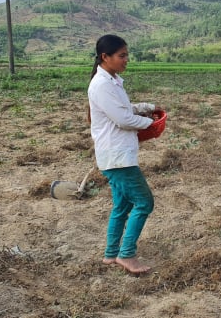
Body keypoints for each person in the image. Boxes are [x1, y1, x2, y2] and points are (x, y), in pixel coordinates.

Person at [87, 34, 162, 275]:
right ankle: (126, 254)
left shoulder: (113, 81)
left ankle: (111, 254)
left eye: (127, 55)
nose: (126, 60)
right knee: (144, 202)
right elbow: (122, 119)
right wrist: (150, 124)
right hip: (118, 157)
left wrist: (147, 108)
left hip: (116, 154)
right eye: (122, 56)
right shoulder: (102, 85)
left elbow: (124, 109)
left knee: (122, 205)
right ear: (105, 57)